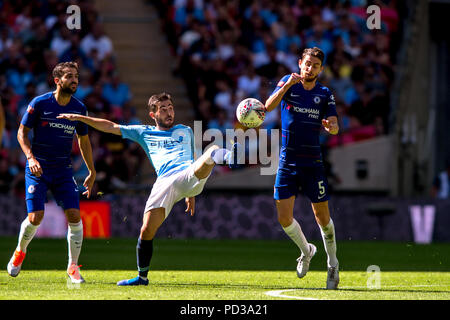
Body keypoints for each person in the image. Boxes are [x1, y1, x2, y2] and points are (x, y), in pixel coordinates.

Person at [58, 92, 240, 286]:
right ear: (153, 115)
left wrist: (192, 190)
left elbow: (194, 156)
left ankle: (231, 158)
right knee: (146, 231)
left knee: (211, 152)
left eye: (170, 107)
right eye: (163, 109)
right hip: (164, 182)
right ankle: (142, 278)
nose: (169, 112)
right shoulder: (143, 132)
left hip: (187, 174)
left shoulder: (185, 130)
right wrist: (79, 118)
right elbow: (110, 126)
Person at [7, 62, 96, 284]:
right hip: (38, 167)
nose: (74, 80)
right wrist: (30, 158)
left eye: (76, 76)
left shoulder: (79, 108)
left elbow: (84, 141)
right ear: (57, 81)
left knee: (75, 216)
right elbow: (21, 133)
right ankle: (20, 252)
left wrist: (92, 171)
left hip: (63, 170)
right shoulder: (40, 103)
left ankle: (73, 267)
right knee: (35, 217)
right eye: (69, 76)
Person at [264, 47, 340, 289]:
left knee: (323, 218)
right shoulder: (288, 82)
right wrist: (285, 86)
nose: (310, 68)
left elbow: (336, 125)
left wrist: (331, 128)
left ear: (321, 69)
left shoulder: (325, 93)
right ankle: (306, 250)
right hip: (287, 162)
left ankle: (332, 264)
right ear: (300, 63)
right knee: (284, 218)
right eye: (307, 64)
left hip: (313, 163)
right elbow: (267, 107)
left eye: (315, 65)